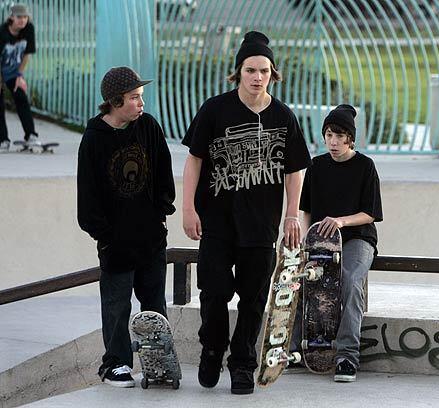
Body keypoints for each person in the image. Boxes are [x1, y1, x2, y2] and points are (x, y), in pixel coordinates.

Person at [182, 31, 311, 395]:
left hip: (261, 226)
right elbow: (194, 160)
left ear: (273, 74)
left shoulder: (283, 116)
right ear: (238, 72)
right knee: (213, 291)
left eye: (264, 71)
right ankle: (212, 348)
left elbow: (294, 170)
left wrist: (291, 216)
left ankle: (242, 363)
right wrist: (188, 207)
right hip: (216, 221)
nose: (257, 77)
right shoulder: (215, 109)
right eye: (251, 70)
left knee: (254, 299)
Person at [77, 66, 176, 388]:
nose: (141, 103)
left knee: (154, 306)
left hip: (150, 236)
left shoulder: (147, 126)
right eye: (134, 98)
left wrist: (161, 213)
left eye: (141, 97)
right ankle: (115, 364)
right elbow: (87, 194)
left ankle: (158, 361)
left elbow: (163, 170)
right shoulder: (94, 138)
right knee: (117, 307)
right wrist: (104, 235)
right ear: (115, 101)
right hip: (115, 242)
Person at [297, 104, 383, 382]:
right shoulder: (316, 166)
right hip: (322, 241)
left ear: (350, 139)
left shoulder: (365, 166)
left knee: (350, 280)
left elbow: (370, 213)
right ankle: (298, 349)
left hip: (357, 237)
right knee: (303, 280)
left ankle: (347, 356)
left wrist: (341, 221)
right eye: (329, 136)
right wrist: (305, 241)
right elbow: (307, 209)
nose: (334, 143)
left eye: (340, 137)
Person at [0, 3, 38, 150]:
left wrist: (19, 75)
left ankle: (31, 135)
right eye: (19, 17)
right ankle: (3, 139)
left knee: (21, 97)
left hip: (13, 72)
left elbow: (27, 54)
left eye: (25, 17)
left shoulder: (29, 29)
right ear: (11, 18)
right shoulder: (2, 32)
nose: (22, 20)